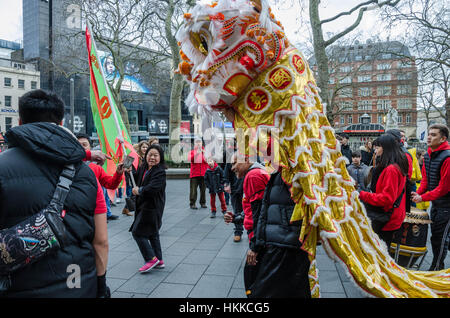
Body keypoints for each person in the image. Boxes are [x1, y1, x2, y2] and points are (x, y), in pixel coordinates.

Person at [0, 89, 109, 297]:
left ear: (20, 122)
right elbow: (101, 241)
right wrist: (100, 286)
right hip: (78, 283)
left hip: (17, 287)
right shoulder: (85, 173)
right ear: (60, 124)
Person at [249, 168, 312, 298]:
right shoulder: (278, 172)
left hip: (285, 244)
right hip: (282, 241)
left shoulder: (295, 171)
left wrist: (256, 244)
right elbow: (265, 211)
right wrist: (256, 244)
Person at [225, 152, 270, 296]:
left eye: (234, 164)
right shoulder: (256, 173)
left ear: (245, 160)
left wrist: (255, 246)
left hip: (260, 239)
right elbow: (254, 210)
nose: (232, 168)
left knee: (252, 283)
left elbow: (260, 215)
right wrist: (236, 218)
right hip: (261, 236)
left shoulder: (253, 176)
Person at [359, 133, 409, 249]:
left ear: (386, 148)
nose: (375, 150)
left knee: (379, 253)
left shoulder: (391, 169)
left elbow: (386, 199)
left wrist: (361, 194)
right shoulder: (396, 165)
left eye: (377, 147)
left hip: (387, 218)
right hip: (393, 215)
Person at [412, 124, 450, 271]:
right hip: (437, 203)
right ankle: (437, 264)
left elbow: (444, 188)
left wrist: (423, 198)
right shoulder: (427, 155)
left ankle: (437, 267)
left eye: (433, 135)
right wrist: (418, 193)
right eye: (429, 134)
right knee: (436, 237)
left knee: (440, 238)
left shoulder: (447, 157)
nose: (429, 137)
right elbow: (426, 180)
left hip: (447, 205)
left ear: (443, 138)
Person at [130, 144, 167, 272]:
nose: (152, 157)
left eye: (155, 155)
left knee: (137, 232)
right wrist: (128, 171)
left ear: (160, 157)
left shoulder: (160, 172)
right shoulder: (144, 168)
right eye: (150, 155)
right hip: (143, 206)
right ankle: (159, 260)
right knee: (153, 233)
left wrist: (139, 190)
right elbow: (135, 179)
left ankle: (151, 259)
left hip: (152, 208)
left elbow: (152, 188)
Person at [76, 133, 126, 220]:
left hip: (92, 211)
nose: (82, 148)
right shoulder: (66, 164)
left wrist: (118, 173)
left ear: (90, 148)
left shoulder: (96, 167)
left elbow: (111, 184)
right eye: (77, 145)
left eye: (84, 145)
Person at [224, 162, 244, 242]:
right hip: (235, 187)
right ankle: (238, 232)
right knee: (236, 210)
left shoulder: (251, 152)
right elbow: (227, 170)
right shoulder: (231, 153)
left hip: (247, 186)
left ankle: (252, 231)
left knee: (251, 211)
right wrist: (226, 183)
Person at [189, 137, 208, 209]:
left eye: (199, 142)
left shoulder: (205, 151)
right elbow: (191, 159)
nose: (198, 143)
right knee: (193, 190)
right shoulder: (192, 152)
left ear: (202, 143)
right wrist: (197, 153)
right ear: (194, 144)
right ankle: (192, 203)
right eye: (197, 142)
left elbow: (208, 160)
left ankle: (203, 203)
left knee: (203, 190)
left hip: (203, 174)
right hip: (194, 174)